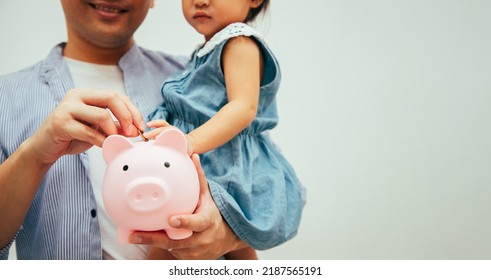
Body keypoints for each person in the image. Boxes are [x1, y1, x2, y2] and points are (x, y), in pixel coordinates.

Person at [0, 0, 304, 260]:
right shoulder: (7, 98)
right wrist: (34, 154)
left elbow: (269, 186)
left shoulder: (198, 84)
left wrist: (227, 235)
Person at [144, 0, 304, 260]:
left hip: (225, 165)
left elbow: (243, 108)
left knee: (172, 241)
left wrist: (189, 140)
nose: (200, 1)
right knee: (215, 245)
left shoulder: (240, 43)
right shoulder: (210, 48)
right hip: (209, 160)